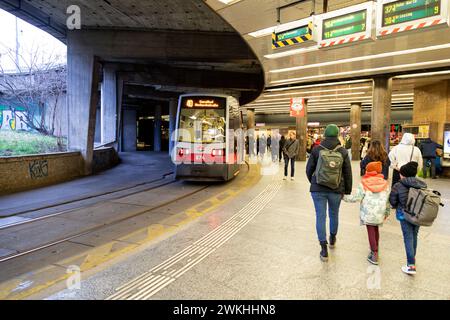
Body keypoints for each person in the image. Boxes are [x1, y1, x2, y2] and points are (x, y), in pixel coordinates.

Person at [306, 124, 353, 262]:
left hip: (318, 189)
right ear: (337, 135)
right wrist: (347, 190)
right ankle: (332, 239)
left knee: (320, 216)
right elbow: (347, 173)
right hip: (336, 189)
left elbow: (309, 170)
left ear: (325, 135)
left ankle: (323, 249)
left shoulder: (316, 149)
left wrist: (314, 181)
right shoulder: (343, 151)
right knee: (334, 214)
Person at [344, 162, 391, 265]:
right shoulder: (385, 183)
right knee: (376, 229)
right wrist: (387, 212)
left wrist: (344, 197)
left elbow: (357, 197)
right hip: (380, 212)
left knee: (370, 231)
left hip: (368, 213)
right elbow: (388, 200)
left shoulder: (364, 183)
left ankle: (374, 253)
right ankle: (376, 249)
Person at [389, 162, 426, 275]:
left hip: (404, 215)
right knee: (414, 236)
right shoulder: (422, 184)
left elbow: (393, 201)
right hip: (418, 215)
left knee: (408, 238)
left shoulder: (398, 185)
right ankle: (412, 259)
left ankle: (411, 265)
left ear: (403, 175)